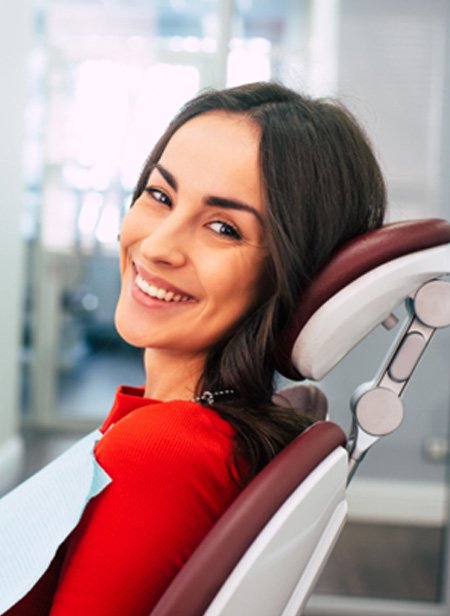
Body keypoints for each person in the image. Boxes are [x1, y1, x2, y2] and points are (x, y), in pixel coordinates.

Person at [3, 81, 386, 615]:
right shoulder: (187, 428)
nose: (157, 246)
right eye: (160, 196)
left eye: (223, 228)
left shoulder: (164, 451)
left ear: (289, 272)